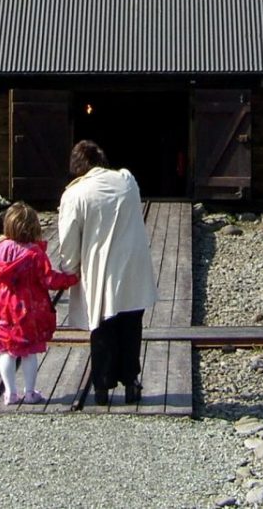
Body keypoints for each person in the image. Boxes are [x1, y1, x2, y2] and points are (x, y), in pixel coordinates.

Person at [53, 139, 157, 406]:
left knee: (101, 326)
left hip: (100, 266)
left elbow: (68, 238)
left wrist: (69, 268)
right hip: (133, 264)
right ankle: (131, 382)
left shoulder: (75, 194)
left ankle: (101, 386)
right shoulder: (127, 181)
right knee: (131, 325)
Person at [0, 202, 78, 405]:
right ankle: (30, 392)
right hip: (28, 309)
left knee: (6, 351)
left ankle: (10, 393)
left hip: (1, 308)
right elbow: (48, 279)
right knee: (28, 352)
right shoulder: (35, 254)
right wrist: (72, 279)